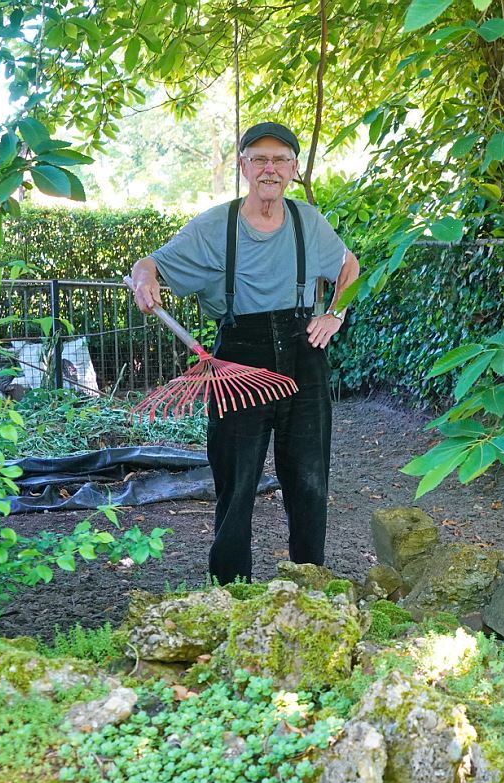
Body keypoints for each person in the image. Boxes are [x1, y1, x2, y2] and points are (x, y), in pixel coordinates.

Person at [129, 121, 361, 586]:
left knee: (309, 481)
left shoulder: (307, 222)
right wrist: (144, 277)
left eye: (280, 160)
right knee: (236, 485)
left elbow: (348, 266)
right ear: (243, 167)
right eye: (259, 159)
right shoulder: (215, 225)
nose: (269, 169)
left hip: (303, 356)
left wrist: (335, 314)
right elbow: (148, 263)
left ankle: (308, 585)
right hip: (238, 355)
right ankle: (231, 592)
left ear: (294, 169)